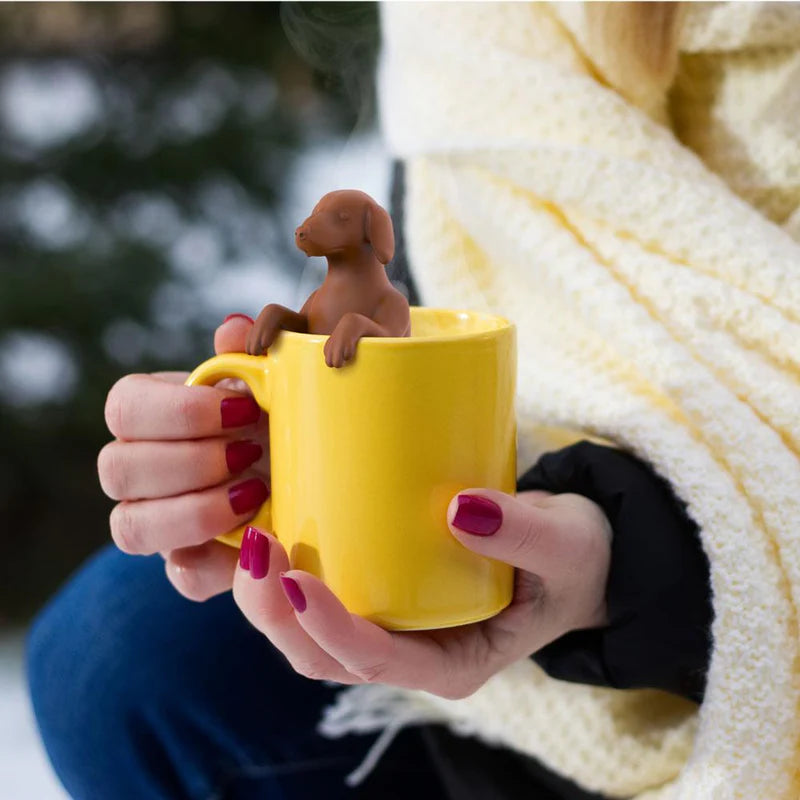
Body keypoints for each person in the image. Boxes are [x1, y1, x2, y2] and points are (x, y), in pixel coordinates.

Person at [27, 2, 800, 798]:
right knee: (114, 654)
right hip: (503, 644)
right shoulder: (481, 29)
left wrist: (630, 564)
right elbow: (480, 303)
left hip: (690, 651)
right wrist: (280, 448)